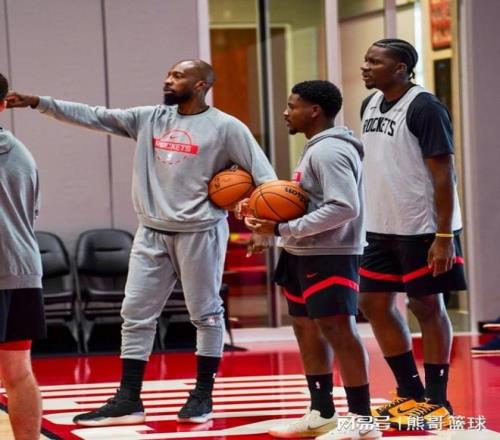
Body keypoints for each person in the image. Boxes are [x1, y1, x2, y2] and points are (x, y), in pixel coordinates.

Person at [7, 59, 277, 426]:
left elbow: (265, 179)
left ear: (201, 85)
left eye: (178, 76)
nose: (168, 80)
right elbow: (94, 115)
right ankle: (129, 398)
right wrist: (39, 102)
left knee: (206, 314)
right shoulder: (150, 118)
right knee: (134, 314)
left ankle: (203, 395)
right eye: (168, 74)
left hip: (199, 232)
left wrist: (263, 226)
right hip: (150, 232)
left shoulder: (227, 127)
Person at [240, 80, 380, 439]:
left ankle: (362, 421)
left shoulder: (330, 151)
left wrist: (282, 228)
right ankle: (321, 412)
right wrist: (264, 216)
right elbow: (306, 202)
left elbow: (344, 207)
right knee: (305, 328)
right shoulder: (315, 148)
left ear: (314, 110)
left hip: (331, 255)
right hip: (302, 252)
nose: (286, 112)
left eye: (293, 105)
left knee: (339, 331)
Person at [358, 39, 467, 429]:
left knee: (426, 306)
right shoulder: (369, 104)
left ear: (400, 68)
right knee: (373, 303)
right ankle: (410, 392)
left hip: (422, 227)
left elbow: (444, 174)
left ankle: (438, 401)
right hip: (380, 226)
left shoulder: (425, 107)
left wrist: (444, 235)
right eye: (366, 60)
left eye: (374, 61)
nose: (365, 66)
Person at [0, 72, 46, 439]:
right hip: (22, 269)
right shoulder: (22, 154)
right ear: (3, 105)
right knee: (18, 372)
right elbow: (32, 214)